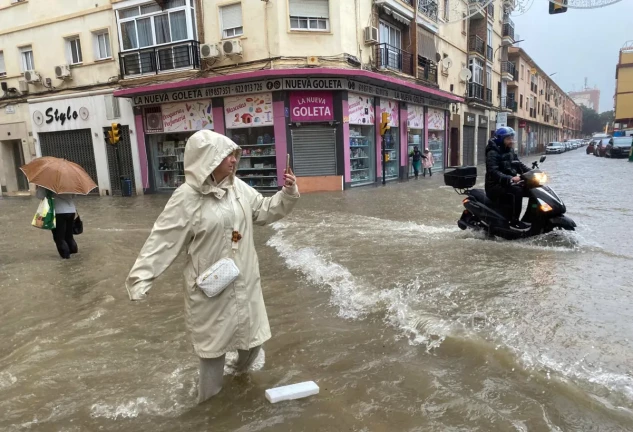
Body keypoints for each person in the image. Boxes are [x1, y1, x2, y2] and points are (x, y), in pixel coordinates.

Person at [125, 130, 299, 404]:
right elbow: (162, 239)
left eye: (234, 154)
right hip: (211, 289)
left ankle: (237, 380)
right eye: (227, 155)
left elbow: (263, 210)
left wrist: (287, 193)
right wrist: (141, 278)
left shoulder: (238, 188)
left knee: (252, 343)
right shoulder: (186, 198)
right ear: (208, 159)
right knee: (213, 353)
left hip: (244, 281)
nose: (233, 160)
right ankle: (208, 409)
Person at [485, 126, 531, 229]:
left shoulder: (510, 150)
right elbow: (493, 171)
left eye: (512, 138)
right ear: (501, 139)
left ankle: (531, 218)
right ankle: (514, 222)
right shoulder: (492, 152)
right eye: (508, 139)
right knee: (517, 191)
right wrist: (510, 178)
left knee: (531, 189)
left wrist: (532, 172)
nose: (511, 141)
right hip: (494, 185)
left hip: (507, 183)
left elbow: (519, 165)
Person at [36, 186, 77, 259]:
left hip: (58, 211)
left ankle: (66, 259)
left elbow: (40, 196)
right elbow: (74, 195)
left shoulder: (46, 183)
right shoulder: (69, 182)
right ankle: (74, 255)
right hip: (71, 210)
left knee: (59, 237)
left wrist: (40, 188)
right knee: (69, 235)